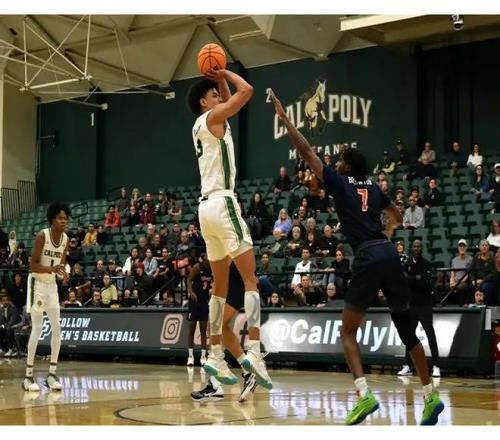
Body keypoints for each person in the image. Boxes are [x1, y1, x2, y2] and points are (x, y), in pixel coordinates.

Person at [270, 89, 443, 425]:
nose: (334, 164)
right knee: (407, 332)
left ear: (346, 165)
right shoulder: (374, 187)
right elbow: (397, 215)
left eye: (338, 160)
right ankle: (430, 395)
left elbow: (306, 151)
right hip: (388, 254)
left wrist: (285, 118)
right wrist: (387, 234)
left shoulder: (339, 181)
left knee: (347, 333)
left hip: (367, 255)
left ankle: (364, 395)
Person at [187, 68, 271, 388]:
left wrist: (218, 81)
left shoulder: (205, 124)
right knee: (250, 279)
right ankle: (255, 350)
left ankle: (215, 356)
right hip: (223, 203)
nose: (219, 97)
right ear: (203, 102)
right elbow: (246, 91)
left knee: (219, 287)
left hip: (205, 209)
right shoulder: (212, 117)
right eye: (213, 95)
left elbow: (228, 98)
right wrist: (224, 71)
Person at [191, 263, 259, 403]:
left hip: (235, 279)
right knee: (219, 328)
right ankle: (243, 374)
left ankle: (216, 385)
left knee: (216, 327)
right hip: (233, 279)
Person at [23, 202, 70, 392]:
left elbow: (60, 266)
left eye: (65, 218)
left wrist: (63, 273)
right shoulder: (42, 235)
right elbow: (32, 265)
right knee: (37, 328)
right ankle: (28, 377)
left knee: (57, 329)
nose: (63, 221)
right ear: (52, 219)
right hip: (37, 283)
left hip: (52, 285)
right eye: (60, 218)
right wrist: (51, 269)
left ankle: (52, 374)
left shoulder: (66, 239)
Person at [398, 240, 440, 378]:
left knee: (430, 333)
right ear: (412, 248)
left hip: (425, 304)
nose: (416, 248)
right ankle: (407, 365)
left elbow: (424, 283)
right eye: (414, 246)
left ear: (422, 248)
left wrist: (412, 278)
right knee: (409, 335)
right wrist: (414, 278)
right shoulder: (407, 263)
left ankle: (436, 365)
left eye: (418, 246)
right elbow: (405, 281)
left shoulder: (426, 264)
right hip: (412, 305)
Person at [186, 254, 211, 367]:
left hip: (204, 302)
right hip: (194, 302)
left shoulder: (212, 268)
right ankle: (190, 356)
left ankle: (203, 356)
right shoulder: (197, 267)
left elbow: (215, 281)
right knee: (191, 330)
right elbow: (189, 279)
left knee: (203, 331)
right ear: (203, 260)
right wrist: (191, 292)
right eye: (207, 259)